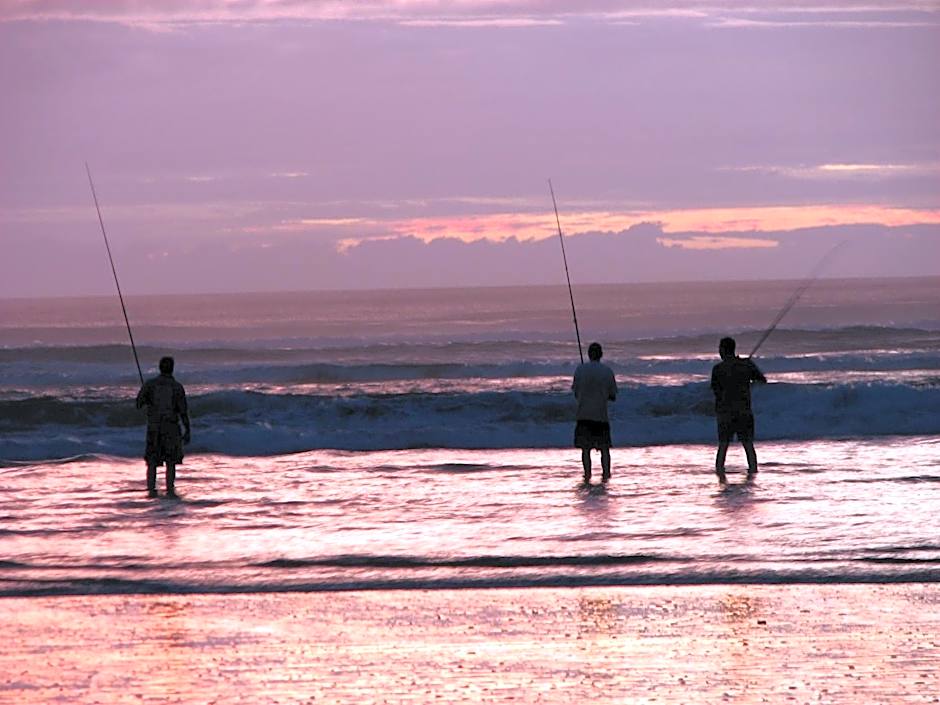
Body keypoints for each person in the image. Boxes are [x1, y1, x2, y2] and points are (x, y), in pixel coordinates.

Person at [710, 337, 766, 483]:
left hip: (725, 413)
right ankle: (753, 474)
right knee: (748, 446)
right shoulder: (746, 365)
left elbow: (715, 390)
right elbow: (762, 380)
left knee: (723, 447)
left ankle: (720, 478)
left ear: (722, 350)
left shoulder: (718, 369)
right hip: (744, 411)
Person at [136, 356, 190, 496]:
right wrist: (187, 430)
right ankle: (170, 489)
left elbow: (138, 404)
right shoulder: (177, 387)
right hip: (171, 428)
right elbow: (183, 411)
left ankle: (151, 489)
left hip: (154, 427)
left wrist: (147, 398)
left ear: (159, 367)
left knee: (152, 461)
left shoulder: (150, 384)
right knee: (171, 462)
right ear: (172, 368)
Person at [572, 342, 617, 483]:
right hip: (601, 416)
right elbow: (613, 396)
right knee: (604, 449)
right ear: (601, 354)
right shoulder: (607, 371)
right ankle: (606, 474)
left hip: (583, 415)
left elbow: (575, 393)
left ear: (588, 355)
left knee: (585, 449)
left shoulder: (580, 370)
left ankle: (587, 475)